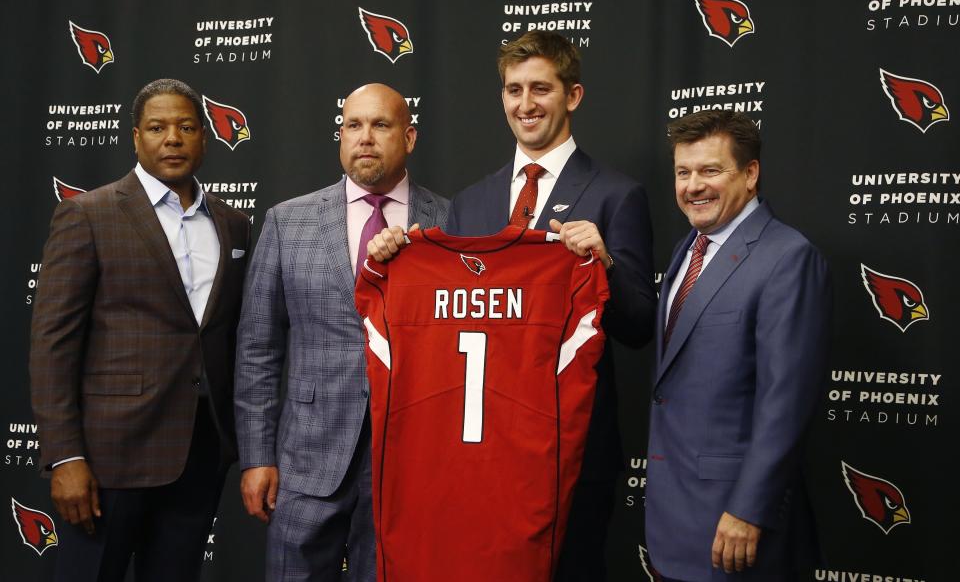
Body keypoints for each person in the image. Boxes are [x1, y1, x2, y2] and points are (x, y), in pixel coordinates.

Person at [367, 31, 656, 580]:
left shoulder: (617, 194)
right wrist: (395, 257)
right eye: (514, 90)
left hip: (571, 446)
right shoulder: (471, 201)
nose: (526, 104)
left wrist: (605, 265)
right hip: (480, 448)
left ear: (572, 96)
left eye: (541, 89)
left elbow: (641, 324)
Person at [29, 78, 251, 582]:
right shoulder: (88, 215)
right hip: (109, 459)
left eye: (186, 127)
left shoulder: (233, 223)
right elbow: (52, 347)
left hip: (199, 453)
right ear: (135, 138)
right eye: (157, 127)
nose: (172, 138)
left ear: (204, 137)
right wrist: (64, 456)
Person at [234, 83, 449, 582]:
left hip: (410, 461)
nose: (365, 138)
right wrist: (257, 456)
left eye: (381, 125)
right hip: (307, 457)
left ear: (410, 137)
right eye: (353, 126)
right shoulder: (288, 222)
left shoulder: (448, 221)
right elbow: (257, 349)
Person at [645, 109, 830, 581]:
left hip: (736, 526)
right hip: (674, 520)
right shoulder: (687, 248)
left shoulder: (787, 257)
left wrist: (749, 510)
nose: (693, 186)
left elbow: (785, 401)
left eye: (711, 170)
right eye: (683, 173)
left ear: (750, 174)